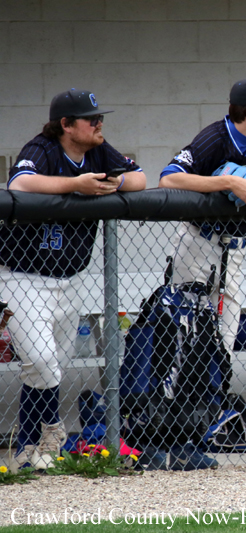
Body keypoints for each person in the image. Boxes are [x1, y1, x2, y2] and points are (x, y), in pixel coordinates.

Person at [159, 77, 246, 469]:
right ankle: (160, 437)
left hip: (233, 250)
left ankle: (194, 434)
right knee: (181, 335)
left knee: (220, 342)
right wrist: (226, 181)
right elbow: (168, 178)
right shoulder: (213, 138)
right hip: (196, 244)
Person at [0, 89, 146, 472]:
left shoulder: (98, 150)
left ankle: (30, 451)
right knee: (42, 361)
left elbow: (141, 178)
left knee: (48, 370)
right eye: (89, 119)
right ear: (65, 125)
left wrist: (114, 183)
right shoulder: (45, 147)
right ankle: (52, 431)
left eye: (99, 117)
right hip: (22, 275)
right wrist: (75, 185)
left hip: (70, 278)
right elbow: (21, 185)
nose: (99, 124)